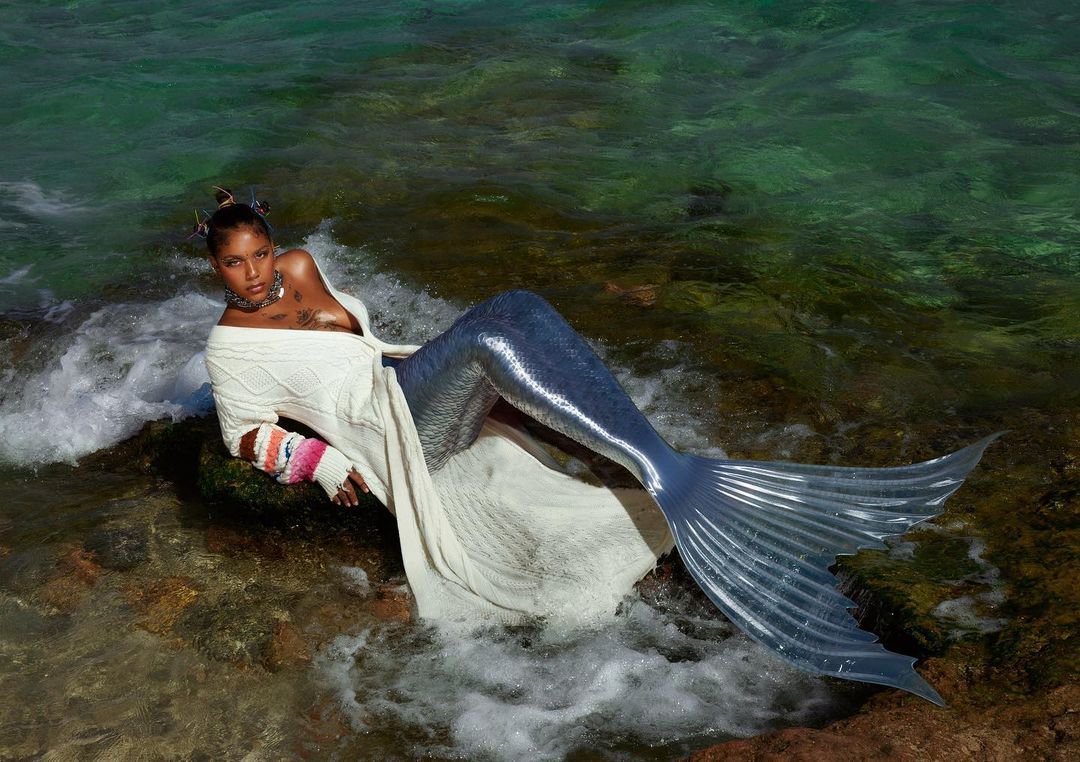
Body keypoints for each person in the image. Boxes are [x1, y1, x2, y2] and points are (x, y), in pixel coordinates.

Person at [198, 187, 996, 705]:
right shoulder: (228, 352)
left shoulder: (300, 268)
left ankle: (651, 464)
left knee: (517, 304)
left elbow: (350, 333)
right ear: (213, 269)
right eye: (235, 264)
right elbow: (244, 436)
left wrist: (282, 266)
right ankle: (660, 470)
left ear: (274, 245)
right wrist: (325, 464)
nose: (255, 274)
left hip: (402, 379)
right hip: (392, 430)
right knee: (486, 339)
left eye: (260, 254)